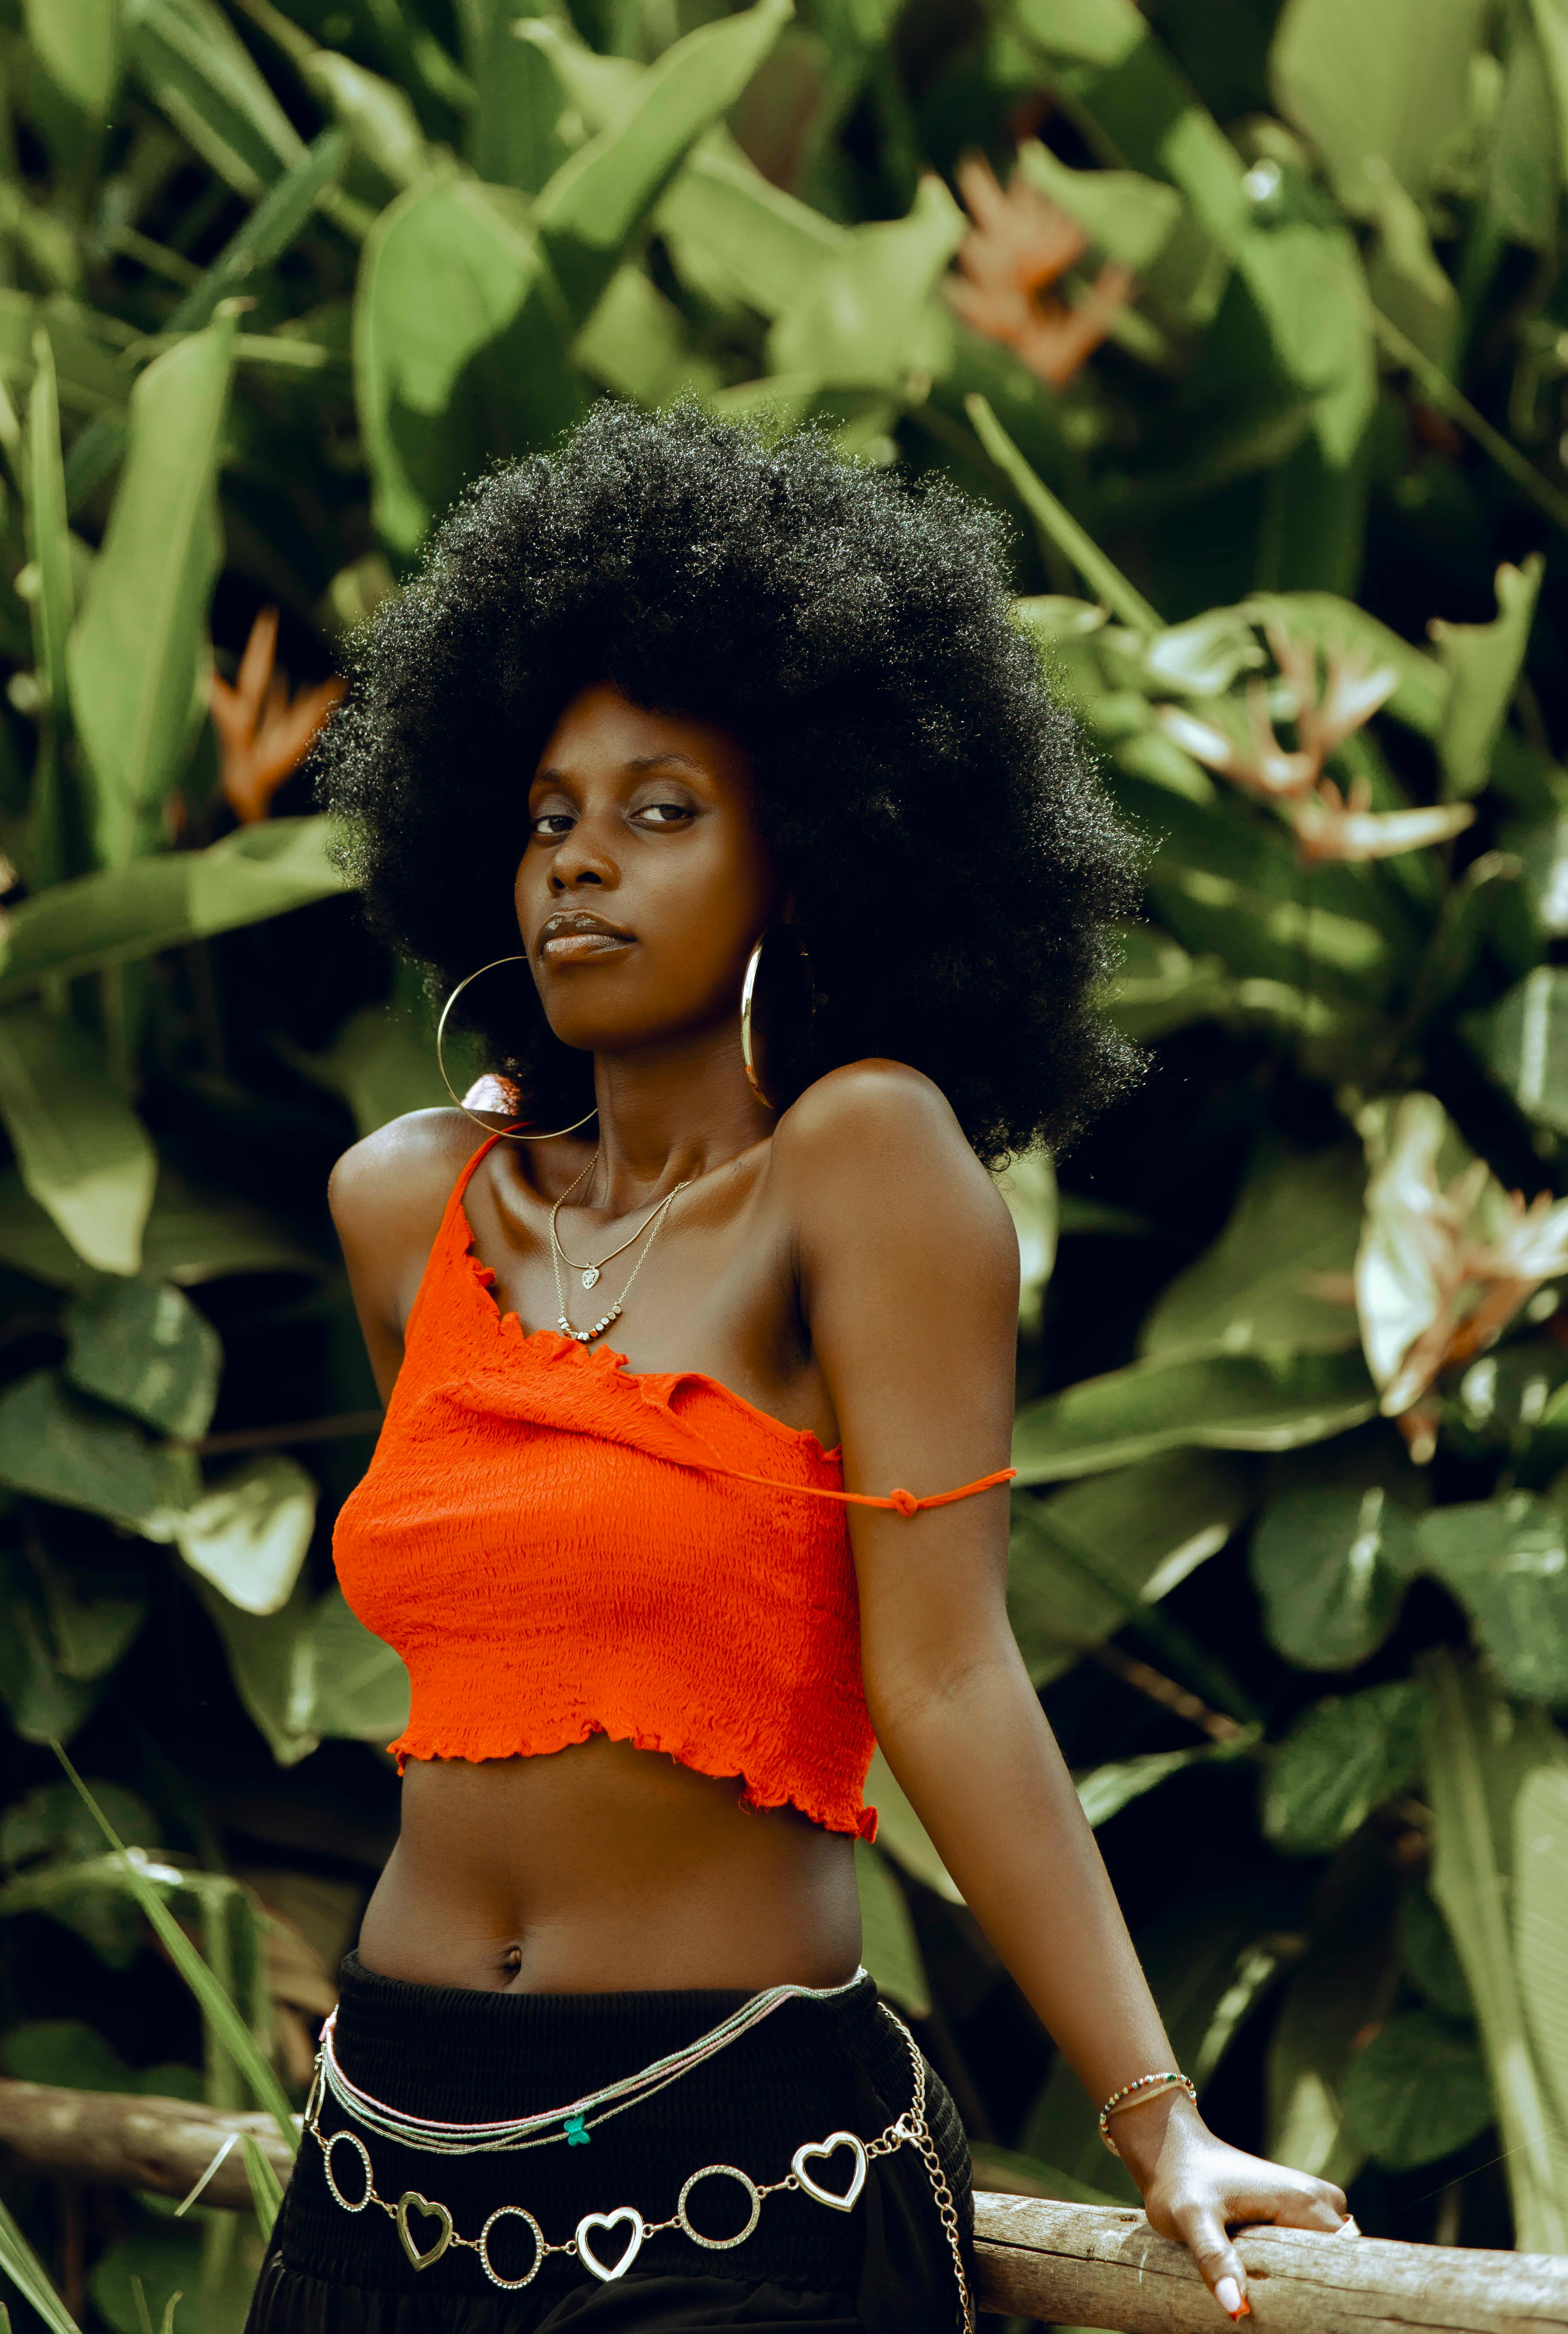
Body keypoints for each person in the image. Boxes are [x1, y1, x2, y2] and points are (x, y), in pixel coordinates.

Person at [250, 404, 1351, 2334]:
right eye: (546, 819)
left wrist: (1157, 2116)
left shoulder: (864, 1165)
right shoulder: (402, 1205)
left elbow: (944, 1666)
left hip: (728, 2176)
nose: (582, 866)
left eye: (661, 812)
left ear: (809, 864)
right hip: (382, 2169)